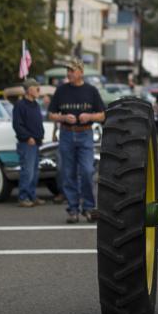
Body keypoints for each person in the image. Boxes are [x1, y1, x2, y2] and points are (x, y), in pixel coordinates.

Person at [47, 57, 105, 223]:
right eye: (68, 71)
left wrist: (89, 116)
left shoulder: (91, 91)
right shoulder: (61, 90)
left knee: (87, 171)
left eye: (72, 71)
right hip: (66, 134)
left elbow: (103, 114)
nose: (69, 74)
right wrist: (64, 117)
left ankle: (88, 208)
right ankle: (73, 209)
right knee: (68, 172)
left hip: (85, 134)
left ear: (81, 72)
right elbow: (51, 114)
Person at [13, 78, 45, 207]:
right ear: (29, 89)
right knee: (28, 171)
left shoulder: (35, 104)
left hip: (37, 142)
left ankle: (32, 195)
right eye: (36, 87)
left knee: (35, 171)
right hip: (27, 143)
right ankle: (23, 197)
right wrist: (27, 137)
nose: (38, 90)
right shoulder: (20, 105)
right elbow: (17, 125)